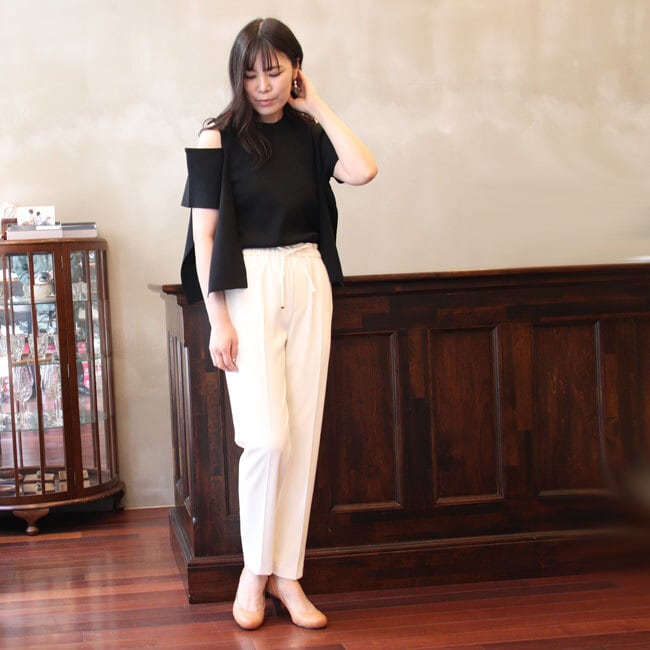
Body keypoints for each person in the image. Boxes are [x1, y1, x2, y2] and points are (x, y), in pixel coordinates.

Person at [180, 17, 377, 630]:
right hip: (247, 285)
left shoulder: (310, 132)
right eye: (251, 73)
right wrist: (217, 318)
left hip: (308, 276)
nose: (263, 85)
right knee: (266, 439)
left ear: (295, 69)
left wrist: (317, 103)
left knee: (302, 436)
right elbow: (204, 235)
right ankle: (254, 572)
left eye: (275, 70)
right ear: (236, 77)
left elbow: (363, 169)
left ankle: (288, 575)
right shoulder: (216, 137)